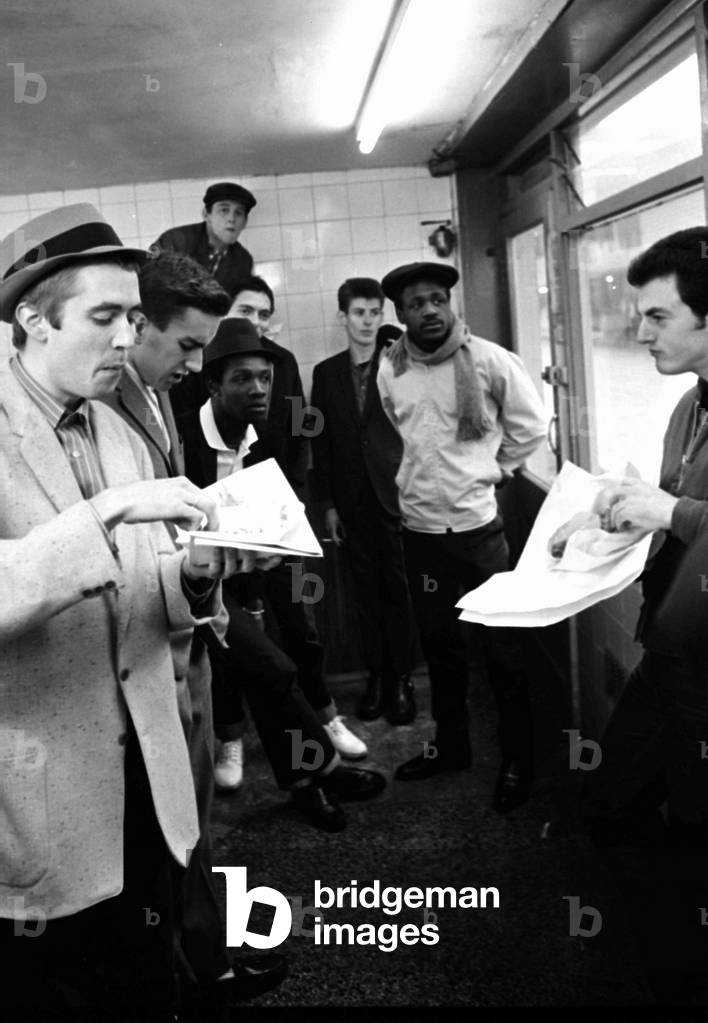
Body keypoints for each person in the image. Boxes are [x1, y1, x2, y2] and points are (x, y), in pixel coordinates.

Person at [0, 204, 238, 1019]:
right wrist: (102, 516)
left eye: (133, 318)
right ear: (31, 318)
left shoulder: (116, 427)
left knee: (145, 971)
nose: (123, 339)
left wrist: (196, 577)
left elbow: (147, 592)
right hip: (43, 789)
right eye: (104, 316)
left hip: (145, 767)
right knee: (59, 987)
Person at [101, 250, 287, 1004]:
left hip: (184, 628)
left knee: (194, 808)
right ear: (137, 323)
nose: (196, 363)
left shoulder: (149, 392)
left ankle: (203, 949)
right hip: (153, 643)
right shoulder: (107, 402)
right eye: (185, 344)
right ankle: (198, 963)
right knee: (173, 821)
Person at [177, 317, 386, 830]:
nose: (259, 389)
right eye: (243, 379)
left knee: (284, 659)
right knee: (272, 668)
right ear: (212, 384)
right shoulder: (183, 442)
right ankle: (322, 768)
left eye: (265, 379)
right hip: (197, 582)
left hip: (259, 563)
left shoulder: (265, 434)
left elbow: (281, 498)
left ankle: (304, 782)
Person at [585, 227, 708, 1005]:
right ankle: (670, 959)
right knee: (614, 803)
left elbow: (687, 512)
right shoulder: (687, 406)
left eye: (658, 316)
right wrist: (628, 513)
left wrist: (674, 511)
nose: (641, 331)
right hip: (668, 653)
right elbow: (676, 512)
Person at [377, 261, 546, 813]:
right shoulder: (391, 368)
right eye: (414, 304)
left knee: (504, 655)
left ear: (450, 304)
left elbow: (529, 427)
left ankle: (520, 759)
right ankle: (451, 750)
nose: (427, 310)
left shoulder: (492, 361)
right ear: (399, 315)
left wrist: (490, 470)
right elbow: (395, 430)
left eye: (435, 300)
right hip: (422, 534)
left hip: (480, 534)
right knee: (442, 654)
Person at [311, 277, 416, 724]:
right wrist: (329, 505)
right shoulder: (325, 373)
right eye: (359, 313)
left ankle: (403, 680)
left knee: (401, 592)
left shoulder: (401, 364)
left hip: (398, 497)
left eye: (375, 312)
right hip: (352, 502)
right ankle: (376, 678)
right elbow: (320, 441)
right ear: (343, 317)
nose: (368, 321)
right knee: (365, 596)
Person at [152, 181, 255, 299]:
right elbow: (148, 282)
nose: (231, 219)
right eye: (224, 210)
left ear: (245, 222)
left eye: (238, 212)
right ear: (206, 214)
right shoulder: (175, 240)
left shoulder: (243, 261)